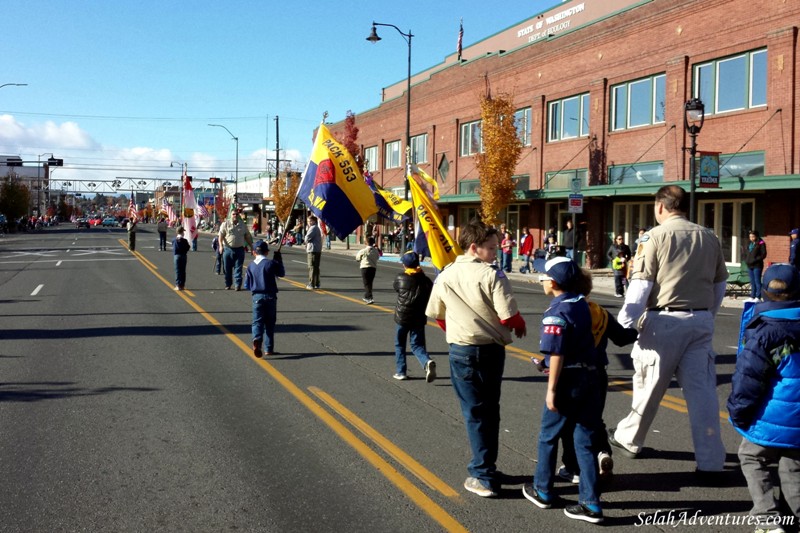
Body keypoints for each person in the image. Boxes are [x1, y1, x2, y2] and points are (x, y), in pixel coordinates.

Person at [611, 185, 728, 475]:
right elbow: (719, 285)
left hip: (664, 321)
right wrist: (707, 315)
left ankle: (631, 438)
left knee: (649, 386)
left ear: (661, 206)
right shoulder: (709, 236)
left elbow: (640, 287)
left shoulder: (654, 237)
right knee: (702, 394)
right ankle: (711, 460)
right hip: (699, 320)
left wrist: (624, 324)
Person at [425, 220, 527, 498]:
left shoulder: (445, 275)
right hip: (491, 349)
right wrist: (519, 324)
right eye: (492, 247)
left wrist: (458, 330)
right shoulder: (492, 275)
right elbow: (507, 314)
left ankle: (483, 472)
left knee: (475, 413)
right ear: (474, 247)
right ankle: (486, 467)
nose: (497, 252)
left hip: (462, 350)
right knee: (489, 411)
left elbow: (437, 313)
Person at [522, 256, 605, 524]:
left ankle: (543, 490)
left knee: (548, 436)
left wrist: (551, 389)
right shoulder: (581, 304)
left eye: (543, 276)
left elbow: (556, 353)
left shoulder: (556, 311)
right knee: (585, 442)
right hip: (590, 377)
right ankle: (591, 503)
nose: (540, 279)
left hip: (568, 380)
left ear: (554, 282)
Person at [727, 263, 800, 530]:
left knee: (751, 456)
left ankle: (767, 518)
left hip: (771, 415)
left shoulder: (765, 332)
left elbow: (748, 381)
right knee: (793, 466)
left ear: (765, 293)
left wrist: (738, 412)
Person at [392, 251, 435, 382]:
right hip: (419, 318)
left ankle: (401, 371)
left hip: (402, 317)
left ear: (405, 265)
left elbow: (396, 288)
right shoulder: (426, 281)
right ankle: (426, 361)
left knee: (400, 344)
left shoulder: (400, 278)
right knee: (417, 345)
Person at [244, 240, 285, 358]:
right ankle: (268, 348)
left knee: (257, 321)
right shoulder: (271, 263)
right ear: (267, 252)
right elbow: (281, 273)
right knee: (270, 323)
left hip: (257, 296)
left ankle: (257, 339)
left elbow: (247, 285)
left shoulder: (250, 266)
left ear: (253, 252)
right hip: (270, 296)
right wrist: (278, 260)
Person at [218, 211, 253, 291]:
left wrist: (251, 247)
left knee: (238, 268)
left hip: (239, 250)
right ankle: (228, 284)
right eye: (233, 214)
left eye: (236, 214)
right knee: (227, 269)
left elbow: (247, 236)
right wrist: (220, 246)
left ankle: (237, 284)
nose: (235, 215)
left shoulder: (242, 225)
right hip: (227, 249)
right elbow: (220, 236)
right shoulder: (225, 224)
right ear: (231, 215)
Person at [744, 230, 767, 302]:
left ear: (756, 236)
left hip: (757, 265)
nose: (751, 238)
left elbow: (763, 254)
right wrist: (746, 259)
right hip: (749, 265)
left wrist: (755, 259)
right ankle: (752, 296)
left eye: (753, 236)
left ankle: (758, 297)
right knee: (752, 281)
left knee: (757, 281)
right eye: (750, 236)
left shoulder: (761, 243)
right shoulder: (750, 244)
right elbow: (746, 253)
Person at [356, 236, 381, 304]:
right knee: (370, 282)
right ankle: (367, 296)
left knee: (366, 283)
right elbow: (378, 257)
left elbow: (357, 258)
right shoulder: (376, 251)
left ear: (366, 243)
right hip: (373, 268)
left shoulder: (363, 251)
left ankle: (369, 297)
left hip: (365, 267)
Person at [305, 215, 322, 290]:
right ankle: (317, 283)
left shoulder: (313, 228)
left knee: (311, 267)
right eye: (308, 221)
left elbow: (307, 237)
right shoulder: (316, 228)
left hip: (312, 249)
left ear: (314, 221)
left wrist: (306, 240)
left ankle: (311, 283)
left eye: (310, 221)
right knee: (316, 267)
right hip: (317, 249)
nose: (309, 222)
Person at [172, 226, 191, 291]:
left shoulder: (174, 240)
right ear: (182, 232)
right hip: (183, 256)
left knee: (177, 271)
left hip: (176, 256)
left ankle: (178, 285)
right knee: (183, 271)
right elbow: (188, 248)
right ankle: (182, 285)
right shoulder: (184, 240)